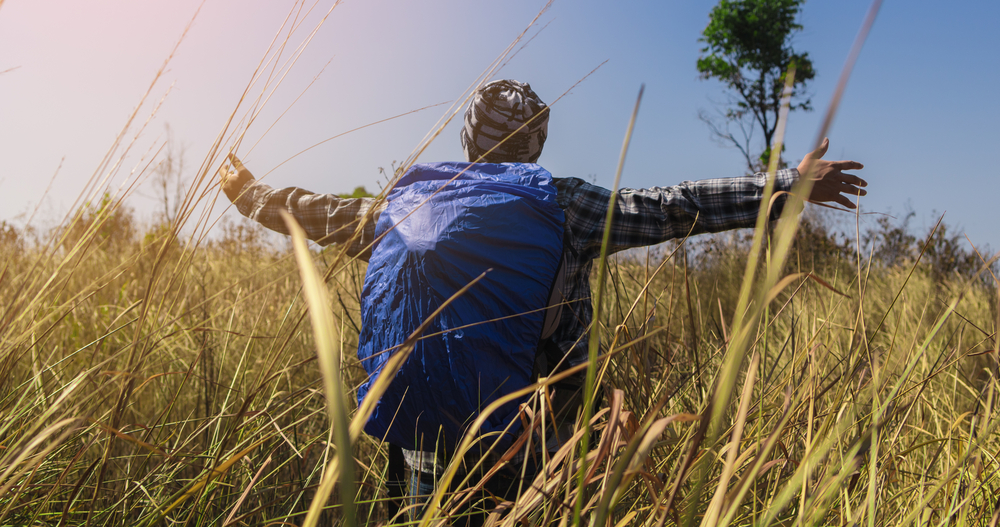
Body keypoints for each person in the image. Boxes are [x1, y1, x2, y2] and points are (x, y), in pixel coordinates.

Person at [218, 79, 867, 523]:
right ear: (535, 142)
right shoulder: (563, 203)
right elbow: (675, 206)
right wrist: (783, 183)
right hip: (529, 445)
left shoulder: (403, 205)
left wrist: (249, 193)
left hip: (417, 438)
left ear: (469, 138)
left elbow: (320, 214)